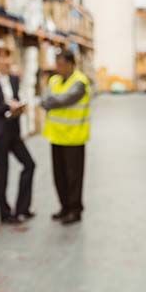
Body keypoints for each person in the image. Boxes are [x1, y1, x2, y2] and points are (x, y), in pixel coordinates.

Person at [0, 45, 36, 225]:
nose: (7, 61)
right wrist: (8, 107)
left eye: (8, 57)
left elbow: (15, 99)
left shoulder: (13, 79)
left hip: (13, 130)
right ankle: (5, 214)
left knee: (29, 164)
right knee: (2, 173)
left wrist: (19, 108)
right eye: (3, 57)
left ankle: (22, 208)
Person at [41, 50, 91, 225]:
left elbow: (64, 100)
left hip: (74, 138)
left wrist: (51, 101)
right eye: (57, 64)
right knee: (59, 176)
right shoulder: (53, 80)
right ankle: (64, 207)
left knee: (74, 178)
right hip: (56, 136)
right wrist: (50, 100)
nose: (58, 68)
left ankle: (75, 210)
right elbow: (45, 98)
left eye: (61, 64)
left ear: (71, 64)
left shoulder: (80, 82)